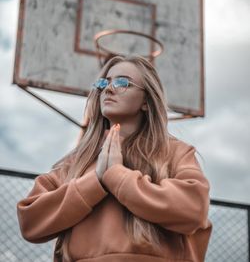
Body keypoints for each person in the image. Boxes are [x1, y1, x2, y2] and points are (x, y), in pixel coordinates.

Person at [17, 55, 212, 262]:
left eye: (122, 83)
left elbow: (194, 209)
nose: (108, 90)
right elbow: (30, 221)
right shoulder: (77, 161)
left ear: (146, 101)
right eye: (104, 83)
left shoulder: (175, 152)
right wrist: (96, 180)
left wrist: (117, 177)